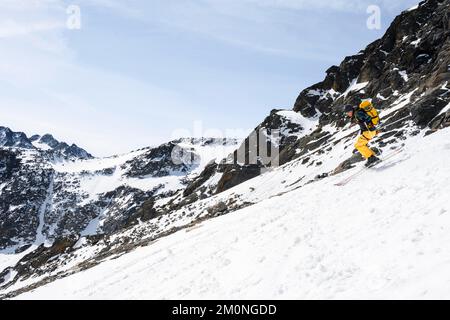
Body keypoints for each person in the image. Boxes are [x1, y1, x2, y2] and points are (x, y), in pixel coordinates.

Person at [344, 101, 381, 167]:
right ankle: (372, 157)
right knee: (359, 144)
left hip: (369, 131)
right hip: (368, 131)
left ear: (350, 111)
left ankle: (372, 158)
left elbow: (368, 118)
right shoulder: (356, 113)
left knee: (358, 145)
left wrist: (371, 128)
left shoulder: (357, 113)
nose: (347, 114)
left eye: (347, 112)